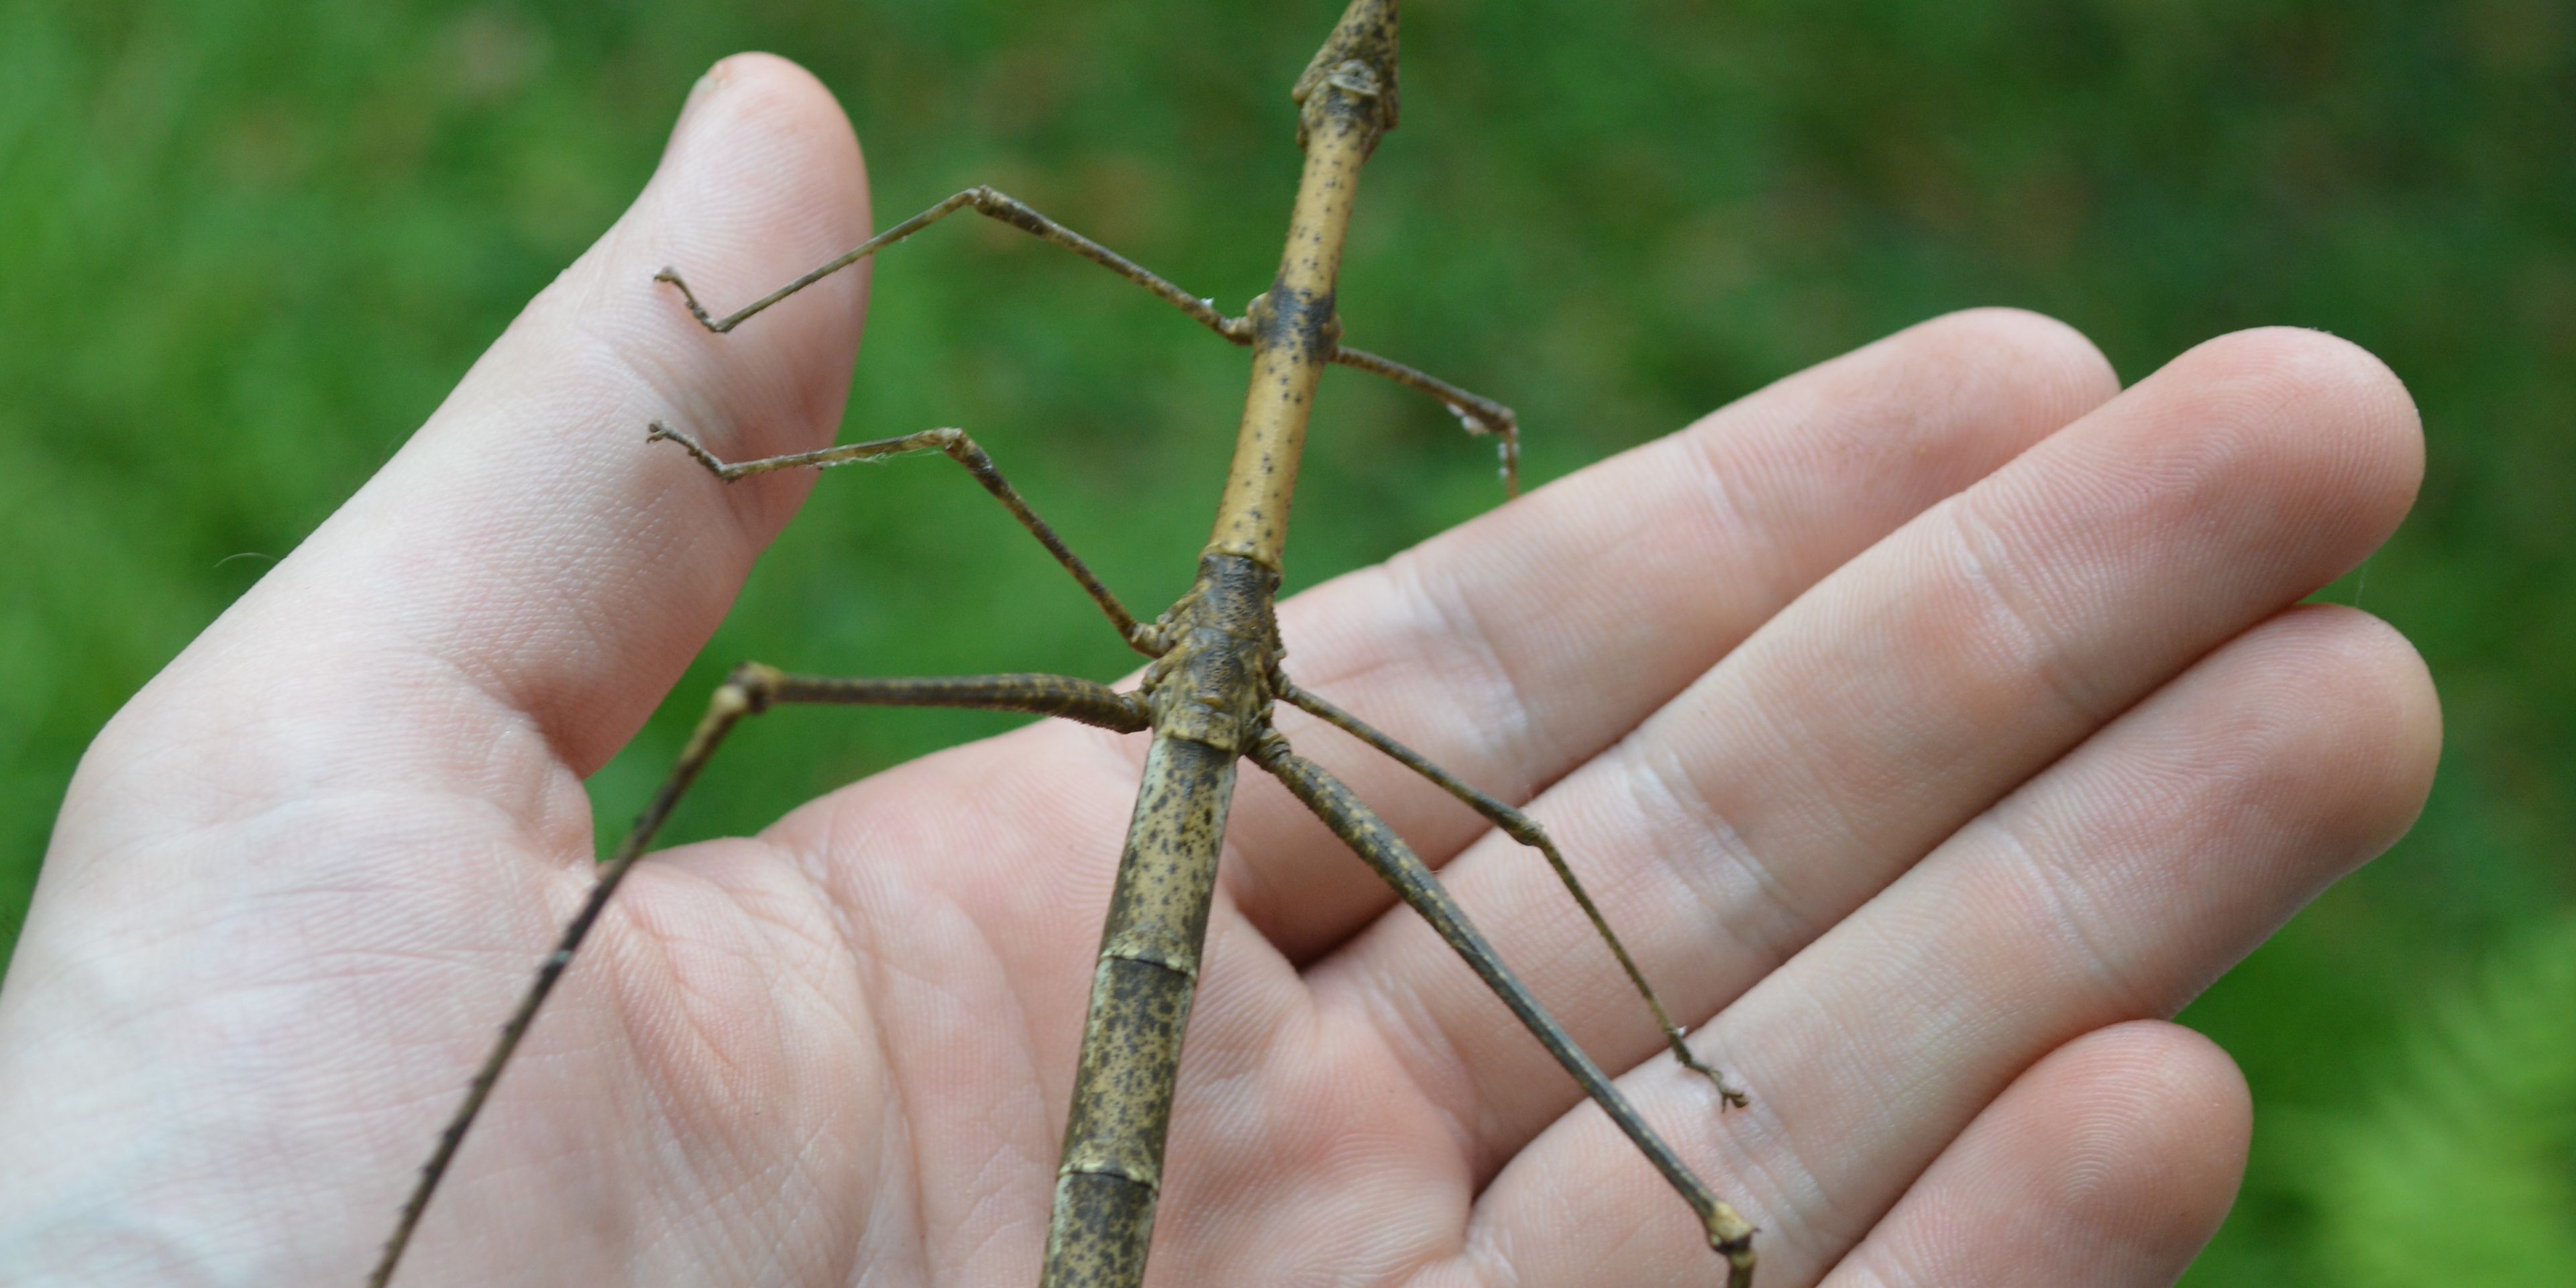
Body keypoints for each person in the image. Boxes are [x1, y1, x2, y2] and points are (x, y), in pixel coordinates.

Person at [0, 54, 2438, 1287]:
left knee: (1632, 1029)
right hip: (1212, 766)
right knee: (1642, 1024)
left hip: (1194, 753)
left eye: (1340, 105)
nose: (1336, 106)